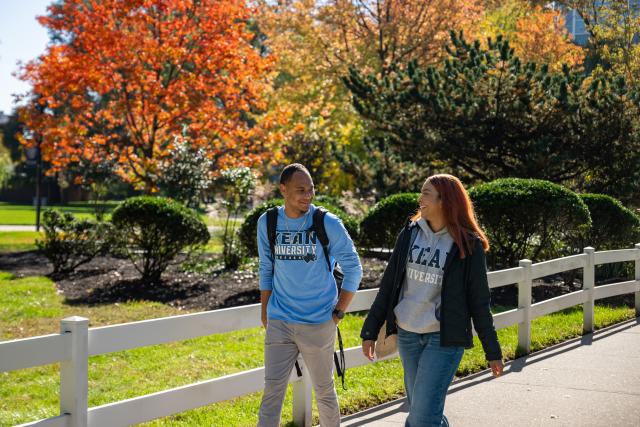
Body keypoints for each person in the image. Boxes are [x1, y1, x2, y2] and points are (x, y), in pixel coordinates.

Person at [360, 174, 504, 427]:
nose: (420, 198)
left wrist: (492, 351)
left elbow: (479, 301)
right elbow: (389, 284)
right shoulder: (410, 234)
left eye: (426, 193)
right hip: (407, 334)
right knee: (423, 411)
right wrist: (370, 330)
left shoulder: (468, 244)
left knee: (422, 417)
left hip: (443, 339)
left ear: (444, 200)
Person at [257, 163, 363, 427]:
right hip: (280, 321)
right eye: (300, 190)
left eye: (311, 189)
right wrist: (266, 310)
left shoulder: (326, 222)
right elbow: (266, 267)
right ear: (283, 189)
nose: (308, 195)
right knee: (272, 392)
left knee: (324, 391)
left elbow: (354, 267)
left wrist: (338, 312)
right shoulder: (268, 222)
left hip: (318, 322)